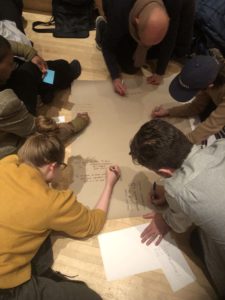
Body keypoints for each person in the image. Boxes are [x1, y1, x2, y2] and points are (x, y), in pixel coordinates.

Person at [0, 133, 120, 299]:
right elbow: (93, 223)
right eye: (62, 167)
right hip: (5, 285)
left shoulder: (6, 163)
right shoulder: (52, 202)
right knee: (88, 297)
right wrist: (109, 184)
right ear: (52, 167)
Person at [129, 118, 225, 298]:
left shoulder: (178, 191)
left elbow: (179, 224)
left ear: (165, 173)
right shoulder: (220, 144)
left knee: (197, 241)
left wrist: (163, 218)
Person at [95, 0, 195, 95]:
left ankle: (149, 41)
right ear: (136, 21)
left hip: (150, 17)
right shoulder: (120, 10)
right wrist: (115, 77)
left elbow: (170, 37)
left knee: (162, 53)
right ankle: (103, 28)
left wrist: (160, 71)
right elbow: (108, 47)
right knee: (129, 68)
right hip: (119, 13)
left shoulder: (173, 5)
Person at [151, 54, 225, 144]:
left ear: (210, 85)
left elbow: (213, 124)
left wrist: (183, 144)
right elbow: (196, 107)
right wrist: (169, 111)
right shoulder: (209, 74)